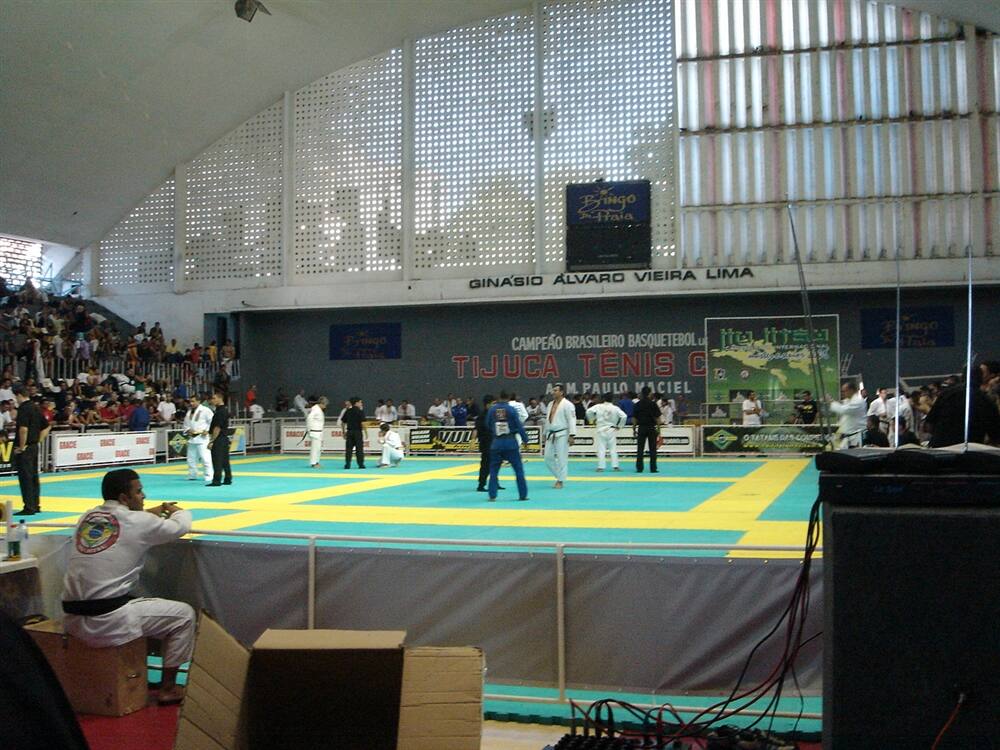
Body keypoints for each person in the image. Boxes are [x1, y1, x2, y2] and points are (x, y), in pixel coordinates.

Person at [61, 469, 194, 705]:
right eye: (139, 491)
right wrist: (178, 511)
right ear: (124, 497)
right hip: (107, 621)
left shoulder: (87, 517)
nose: (144, 496)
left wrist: (150, 512)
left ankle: (142, 672)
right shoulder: (139, 522)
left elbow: (124, 523)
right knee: (184, 616)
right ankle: (169, 688)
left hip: (71, 619)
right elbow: (179, 527)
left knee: (137, 602)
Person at [12, 384, 50, 515]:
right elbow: (46, 427)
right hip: (34, 446)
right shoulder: (36, 407)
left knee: (25, 477)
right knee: (34, 476)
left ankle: (29, 507)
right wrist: (38, 440)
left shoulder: (23, 408)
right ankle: (36, 504)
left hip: (26, 448)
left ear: (19, 395)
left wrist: (22, 447)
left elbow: (23, 429)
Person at [485, 391, 529, 502]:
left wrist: (495, 431)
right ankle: (522, 495)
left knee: (493, 471)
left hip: (496, 443)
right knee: (518, 470)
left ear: (498, 398)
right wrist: (525, 440)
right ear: (508, 398)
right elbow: (519, 426)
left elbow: (487, 424)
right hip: (511, 443)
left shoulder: (492, 410)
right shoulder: (511, 410)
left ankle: (492, 496)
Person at [543, 383, 577, 489]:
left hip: (563, 433)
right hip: (550, 433)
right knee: (547, 458)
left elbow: (572, 420)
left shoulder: (568, 405)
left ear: (561, 392)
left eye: (555, 390)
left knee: (562, 458)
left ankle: (560, 480)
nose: (553, 392)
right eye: (553, 390)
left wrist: (572, 435)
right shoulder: (550, 404)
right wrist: (544, 433)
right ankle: (560, 476)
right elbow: (547, 420)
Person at [586, 392, 627, 472]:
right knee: (613, 449)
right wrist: (619, 426)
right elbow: (624, 416)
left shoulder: (598, 406)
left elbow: (588, 411)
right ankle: (615, 466)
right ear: (612, 399)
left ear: (603, 399)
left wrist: (592, 420)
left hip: (601, 429)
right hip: (611, 429)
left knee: (601, 449)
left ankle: (601, 467)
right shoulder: (615, 408)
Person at [183, 393, 214, 483]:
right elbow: (186, 424)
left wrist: (207, 430)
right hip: (192, 438)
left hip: (202, 438)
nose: (191, 403)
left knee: (205, 458)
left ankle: (209, 475)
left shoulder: (205, 410)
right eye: (190, 401)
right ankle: (192, 474)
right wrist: (188, 430)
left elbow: (212, 422)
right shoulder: (189, 412)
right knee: (191, 458)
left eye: (193, 401)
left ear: (199, 401)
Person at [829, 381, 867, 449]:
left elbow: (843, 410)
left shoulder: (857, 401)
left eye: (844, 391)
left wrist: (831, 401)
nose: (842, 393)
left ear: (851, 390)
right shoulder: (848, 400)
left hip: (856, 435)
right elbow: (842, 406)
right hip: (848, 434)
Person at [632, 386, 662, 473]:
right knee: (652, 449)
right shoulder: (653, 404)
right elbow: (657, 418)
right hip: (651, 428)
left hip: (641, 427)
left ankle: (639, 468)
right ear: (649, 393)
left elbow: (634, 418)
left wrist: (634, 428)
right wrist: (659, 429)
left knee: (640, 449)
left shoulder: (637, 404)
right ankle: (653, 468)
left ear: (642, 394)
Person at [207, 391, 232, 486]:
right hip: (224, 438)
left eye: (214, 398)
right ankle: (228, 478)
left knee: (217, 460)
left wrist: (212, 441)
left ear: (220, 399)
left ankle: (216, 480)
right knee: (225, 460)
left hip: (219, 439)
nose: (212, 400)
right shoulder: (223, 410)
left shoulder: (220, 412)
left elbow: (217, 428)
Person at [475, 394, 496, 492]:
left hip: (493, 442)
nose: (494, 405)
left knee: (495, 464)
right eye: (493, 403)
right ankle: (481, 484)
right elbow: (478, 429)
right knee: (485, 465)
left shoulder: (493, 414)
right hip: (486, 443)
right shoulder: (482, 416)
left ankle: (495, 483)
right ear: (487, 404)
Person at [342, 397, 366, 469]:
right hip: (358, 432)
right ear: (356, 403)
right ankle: (361, 464)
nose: (361, 404)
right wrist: (366, 432)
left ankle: (347, 464)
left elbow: (343, 422)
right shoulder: (360, 411)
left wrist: (343, 432)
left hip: (349, 432)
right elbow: (363, 423)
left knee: (348, 449)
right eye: (360, 402)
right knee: (359, 449)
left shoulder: (347, 411)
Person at [306, 395, 327, 468]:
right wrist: (309, 429)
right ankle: (313, 463)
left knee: (318, 448)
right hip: (315, 431)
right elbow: (309, 418)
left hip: (319, 431)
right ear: (321, 403)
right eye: (325, 405)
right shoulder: (315, 409)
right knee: (315, 448)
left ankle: (316, 462)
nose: (325, 407)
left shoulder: (318, 409)